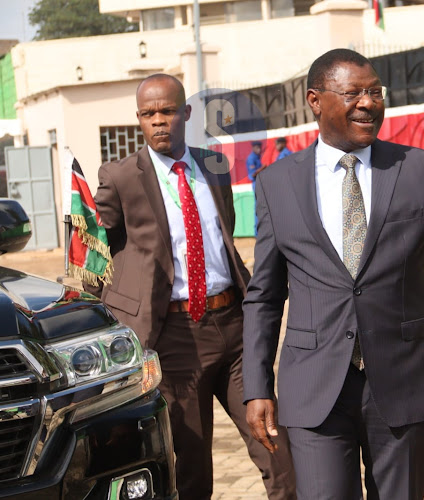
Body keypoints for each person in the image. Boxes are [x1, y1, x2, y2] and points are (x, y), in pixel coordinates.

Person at [243, 49, 424, 499]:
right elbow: (265, 296)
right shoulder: (277, 183)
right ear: (315, 99)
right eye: (353, 93)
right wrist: (256, 387)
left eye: (375, 92)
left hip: (403, 384)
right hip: (314, 390)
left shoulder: (415, 168)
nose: (368, 103)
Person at [85, 74, 296, 500]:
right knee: (194, 465)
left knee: (278, 447)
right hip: (175, 338)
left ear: (186, 113)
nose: (158, 122)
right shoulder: (120, 177)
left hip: (235, 328)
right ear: (139, 120)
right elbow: (94, 246)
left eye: (166, 112)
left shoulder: (214, 166)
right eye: (148, 115)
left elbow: (225, 237)